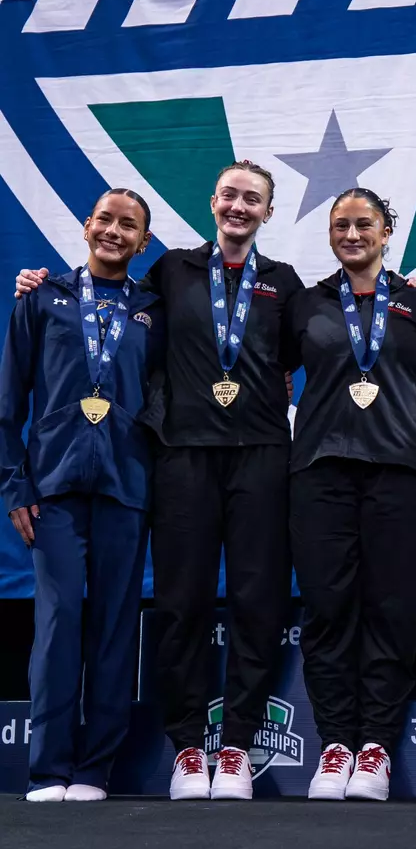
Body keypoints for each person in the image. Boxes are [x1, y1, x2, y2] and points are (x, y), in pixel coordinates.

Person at [15, 161, 303, 801]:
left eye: (251, 199)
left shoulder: (279, 283)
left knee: (251, 605)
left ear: (267, 212)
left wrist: (410, 291)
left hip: (241, 461)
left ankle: (230, 749)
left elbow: (327, 337)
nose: (238, 206)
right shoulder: (169, 273)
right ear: (211, 200)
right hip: (172, 464)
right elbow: (92, 315)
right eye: (228, 193)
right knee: (173, 609)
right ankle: (183, 749)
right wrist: (37, 284)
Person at [286, 188, 416, 801]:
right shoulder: (303, 304)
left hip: (401, 472)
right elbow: (268, 365)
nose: (352, 234)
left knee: (391, 610)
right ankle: (336, 746)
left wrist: (402, 404)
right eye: (341, 225)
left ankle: (377, 747)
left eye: (364, 224)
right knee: (328, 611)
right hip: (319, 472)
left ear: (388, 232)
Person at [0, 189, 162, 802]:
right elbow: (7, 405)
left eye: (129, 226)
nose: (115, 232)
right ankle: (49, 768)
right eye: (106, 220)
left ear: (144, 242)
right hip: (54, 489)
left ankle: (95, 770)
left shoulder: (154, 308)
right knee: (60, 620)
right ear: (85, 224)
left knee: (116, 626)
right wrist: (16, 485)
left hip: (127, 486)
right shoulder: (41, 298)